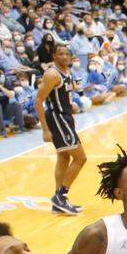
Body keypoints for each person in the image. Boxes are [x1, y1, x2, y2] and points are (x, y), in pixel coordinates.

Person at [34, 43, 86, 216]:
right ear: (54, 56)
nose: (64, 57)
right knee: (80, 158)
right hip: (57, 118)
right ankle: (61, 196)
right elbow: (38, 100)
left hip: (65, 118)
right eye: (60, 54)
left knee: (64, 157)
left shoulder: (67, 71)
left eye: (67, 54)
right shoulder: (51, 74)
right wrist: (45, 129)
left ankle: (58, 203)